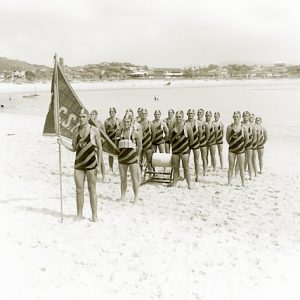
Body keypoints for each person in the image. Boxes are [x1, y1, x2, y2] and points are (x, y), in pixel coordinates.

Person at [58, 109, 103, 222]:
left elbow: (100, 149)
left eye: (83, 116)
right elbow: (74, 148)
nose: (81, 118)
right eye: (80, 116)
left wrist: (99, 165)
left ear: (88, 118)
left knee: (92, 189)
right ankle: (79, 214)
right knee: (79, 190)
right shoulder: (76, 131)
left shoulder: (94, 130)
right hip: (78, 164)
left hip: (91, 164)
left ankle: (94, 215)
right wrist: (62, 143)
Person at [115, 113, 142, 203]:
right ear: (122, 122)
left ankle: (136, 197)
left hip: (132, 158)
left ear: (131, 122)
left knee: (134, 178)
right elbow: (115, 145)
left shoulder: (135, 133)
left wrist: (137, 156)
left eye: (128, 122)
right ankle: (123, 196)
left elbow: (140, 146)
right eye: (125, 122)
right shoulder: (119, 132)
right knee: (123, 178)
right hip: (122, 158)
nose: (126, 123)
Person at [170, 110, 193, 189]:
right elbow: (170, 137)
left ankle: (189, 183)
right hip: (175, 150)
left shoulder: (187, 126)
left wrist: (187, 146)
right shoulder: (172, 125)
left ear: (183, 117)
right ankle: (174, 183)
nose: (178, 118)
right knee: (175, 168)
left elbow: (191, 138)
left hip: (184, 150)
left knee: (186, 168)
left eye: (180, 117)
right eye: (176, 117)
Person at [226, 111, 249, 187]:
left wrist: (242, 146)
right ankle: (229, 183)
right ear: (233, 117)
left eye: (237, 116)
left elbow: (247, 139)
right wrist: (232, 145)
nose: (236, 118)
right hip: (232, 150)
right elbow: (227, 139)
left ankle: (243, 183)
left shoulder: (244, 127)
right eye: (234, 116)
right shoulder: (229, 127)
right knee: (230, 167)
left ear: (240, 117)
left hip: (241, 151)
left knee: (242, 168)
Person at [185, 109, 201, 182]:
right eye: (189, 113)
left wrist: (198, 141)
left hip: (196, 143)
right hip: (187, 144)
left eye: (192, 113)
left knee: (196, 161)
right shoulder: (185, 122)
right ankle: (186, 176)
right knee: (186, 161)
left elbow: (200, 133)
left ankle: (197, 176)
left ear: (194, 114)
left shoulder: (197, 123)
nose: (190, 114)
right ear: (187, 114)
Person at [90, 109, 106, 181]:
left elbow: (104, 136)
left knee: (101, 160)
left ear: (96, 115)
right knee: (92, 160)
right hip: (92, 144)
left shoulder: (100, 124)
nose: (92, 115)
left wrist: (100, 143)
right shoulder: (89, 123)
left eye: (93, 114)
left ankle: (103, 176)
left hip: (98, 144)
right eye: (91, 114)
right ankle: (94, 176)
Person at [104, 107, 121, 172]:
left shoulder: (119, 120)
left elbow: (121, 130)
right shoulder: (106, 121)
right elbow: (104, 131)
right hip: (109, 139)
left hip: (117, 139)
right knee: (110, 155)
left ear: (115, 112)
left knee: (119, 154)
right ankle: (111, 168)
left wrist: (117, 126)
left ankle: (120, 168)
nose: (111, 113)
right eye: (110, 112)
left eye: (112, 112)